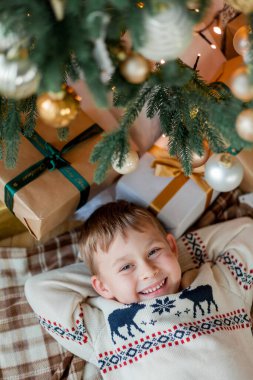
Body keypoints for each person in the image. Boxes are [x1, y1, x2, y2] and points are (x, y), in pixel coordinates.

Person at [25, 200, 253, 380]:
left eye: (153, 251)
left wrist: (174, 257)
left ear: (171, 245)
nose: (148, 271)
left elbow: (247, 230)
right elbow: (39, 289)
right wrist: (109, 282)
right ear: (101, 286)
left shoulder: (219, 284)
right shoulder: (103, 326)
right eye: (126, 266)